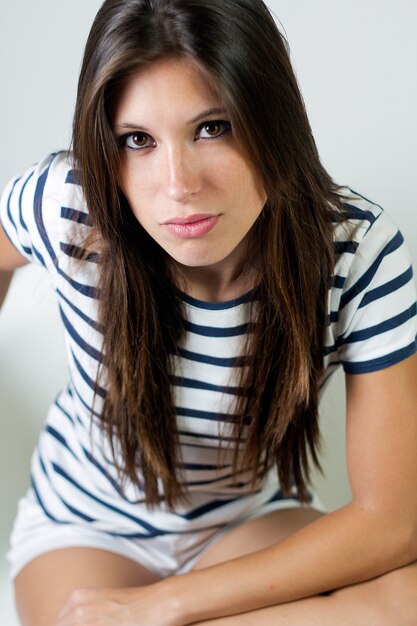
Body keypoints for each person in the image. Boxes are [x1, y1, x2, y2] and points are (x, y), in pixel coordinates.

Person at [1, 0, 417, 624]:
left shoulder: (357, 253)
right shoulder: (69, 207)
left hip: (246, 525)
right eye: (137, 140)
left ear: (271, 119)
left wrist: (159, 610)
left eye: (212, 127)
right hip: (83, 525)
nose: (179, 184)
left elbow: (392, 522)